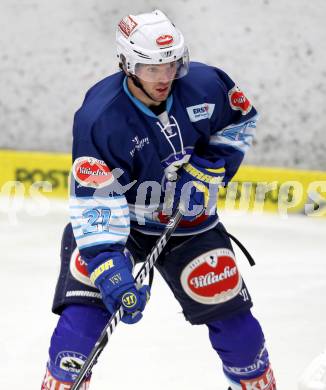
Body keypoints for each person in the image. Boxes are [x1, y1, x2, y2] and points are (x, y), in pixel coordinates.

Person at [41, 9, 277, 390]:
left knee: (242, 339)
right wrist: (107, 265)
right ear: (127, 64)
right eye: (152, 68)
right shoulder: (99, 118)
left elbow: (240, 119)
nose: (165, 77)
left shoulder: (205, 84)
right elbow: (95, 198)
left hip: (191, 225)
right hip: (125, 228)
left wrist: (212, 167)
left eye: (171, 64)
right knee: (77, 338)